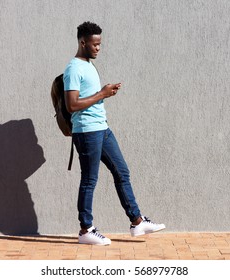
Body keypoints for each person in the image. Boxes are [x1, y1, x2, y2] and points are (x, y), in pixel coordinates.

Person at [63, 21, 165, 245]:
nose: (98, 48)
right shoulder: (74, 68)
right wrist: (102, 93)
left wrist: (104, 93)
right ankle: (85, 230)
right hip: (88, 132)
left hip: (102, 129)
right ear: (83, 42)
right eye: (94, 44)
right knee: (89, 180)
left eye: (100, 44)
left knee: (122, 172)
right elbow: (71, 105)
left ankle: (137, 222)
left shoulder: (88, 65)